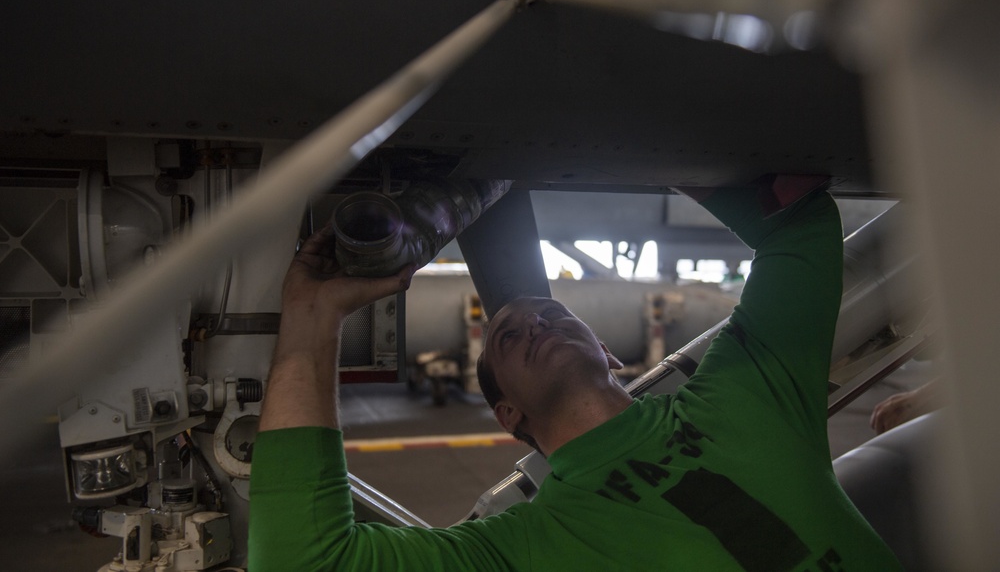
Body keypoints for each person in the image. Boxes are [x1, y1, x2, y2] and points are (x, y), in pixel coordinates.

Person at [249, 183, 902, 571]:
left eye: (554, 314)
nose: (534, 322)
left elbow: (804, 231)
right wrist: (312, 314)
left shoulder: (743, 392)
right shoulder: (519, 550)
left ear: (610, 356)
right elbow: (303, 562)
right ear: (509, 417)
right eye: (508, 336)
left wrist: (640, 134)